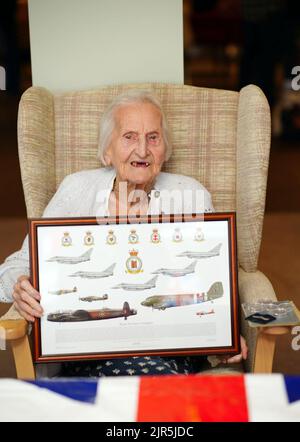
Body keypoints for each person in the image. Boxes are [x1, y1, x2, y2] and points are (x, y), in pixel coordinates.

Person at [0, 90, 247, 376]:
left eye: (153, 137)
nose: (142, 150)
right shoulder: (75, 190)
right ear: (107, 151)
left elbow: (209, 277)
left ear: (165, 149)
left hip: (167, 349)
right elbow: (15, 266)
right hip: (87, 349)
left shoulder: (190, 194)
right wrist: (21, 286)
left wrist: (223, 332)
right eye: (129, 136)